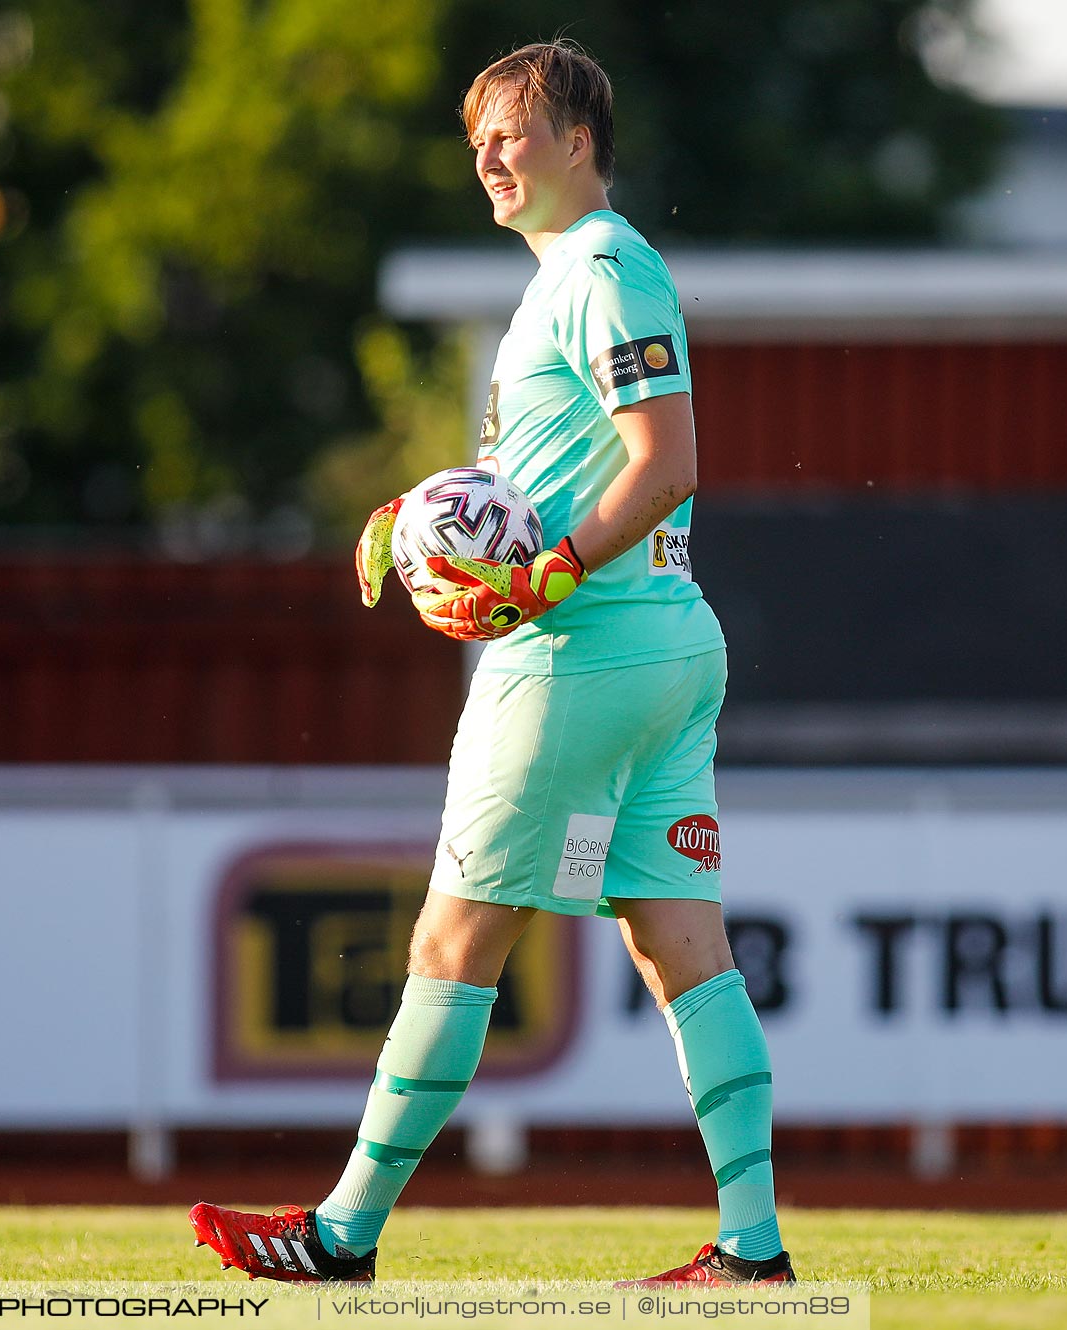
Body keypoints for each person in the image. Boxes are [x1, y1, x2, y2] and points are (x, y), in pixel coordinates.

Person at [189, 40, 794, 1287]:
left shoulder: (605, 266)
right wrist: (412, 527)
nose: (487, 160)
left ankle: (340, 1233)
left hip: (580, 652)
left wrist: (554, 569)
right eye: (475, 143)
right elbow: (521, 490)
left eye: (509, 134)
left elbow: (665, 460)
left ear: (579, 140)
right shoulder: (570, 280)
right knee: (682, 945)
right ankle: (752, 1248)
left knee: (454, 943)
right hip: (666, 647)